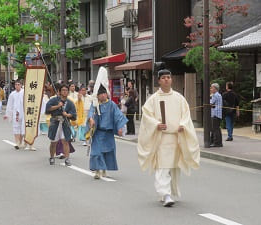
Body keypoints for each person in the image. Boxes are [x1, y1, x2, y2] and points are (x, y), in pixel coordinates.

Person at [137, 68, 200, 207]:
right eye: (163, 77)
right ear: (159, 81)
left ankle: (169, 191)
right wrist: (156, 124)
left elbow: (186, 115)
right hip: (162, 139)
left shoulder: (179, 98)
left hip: (176, 138)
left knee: (173, 167)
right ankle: (165, 194)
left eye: (168, 77)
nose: (166, 79)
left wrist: (183, 125)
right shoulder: (153, 99)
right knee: (163, 167)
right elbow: (147, 116)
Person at [86, 67, 128, 179]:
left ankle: (104, 169)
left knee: (108, 152)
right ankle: (97, 171)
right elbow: (90, 113)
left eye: (104, 93)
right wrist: (90, 119)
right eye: (101, 94)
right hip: (98, 133)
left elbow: (118, 116)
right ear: (97, 95)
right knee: (96, 152)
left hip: (108, 133)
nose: (103, 95)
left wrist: (120, 127)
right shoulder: (95, 105)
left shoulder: (112, 105)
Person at [46, 84, 77, 166]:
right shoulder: (54, 100)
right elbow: (47, 109)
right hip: (55, 122)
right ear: (59, 91)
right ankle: (52, 157)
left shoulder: (70, 103)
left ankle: (67, 159)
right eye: (63, 90)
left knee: (65, 141)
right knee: (53, 142)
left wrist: (67, 115)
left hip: (65, 123)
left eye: (66, 90)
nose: (65, 92)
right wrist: (57, 106)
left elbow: (73, 114)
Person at [4, 80, 25, 150]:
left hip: (23, 112)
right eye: (16, 84)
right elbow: (9, 105)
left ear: (21, 85)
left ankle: (20, 142)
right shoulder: (12, 94)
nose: (17, 86)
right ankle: (17, 142)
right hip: (15, 113)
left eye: (18, 84)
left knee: (22, 128)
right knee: (16, 127)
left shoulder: (24, 92)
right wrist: (7, 114)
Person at [210, 83, 223, 147]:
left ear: (215, 88)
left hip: (215, 114)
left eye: (211, 88)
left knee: (215, 129)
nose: (211, 89)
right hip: (218, 114)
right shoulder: (219, 95)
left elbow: (210, 103)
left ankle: (216, 143)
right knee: (217, 128)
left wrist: (210, 97)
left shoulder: (215, 95)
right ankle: (218, 142)